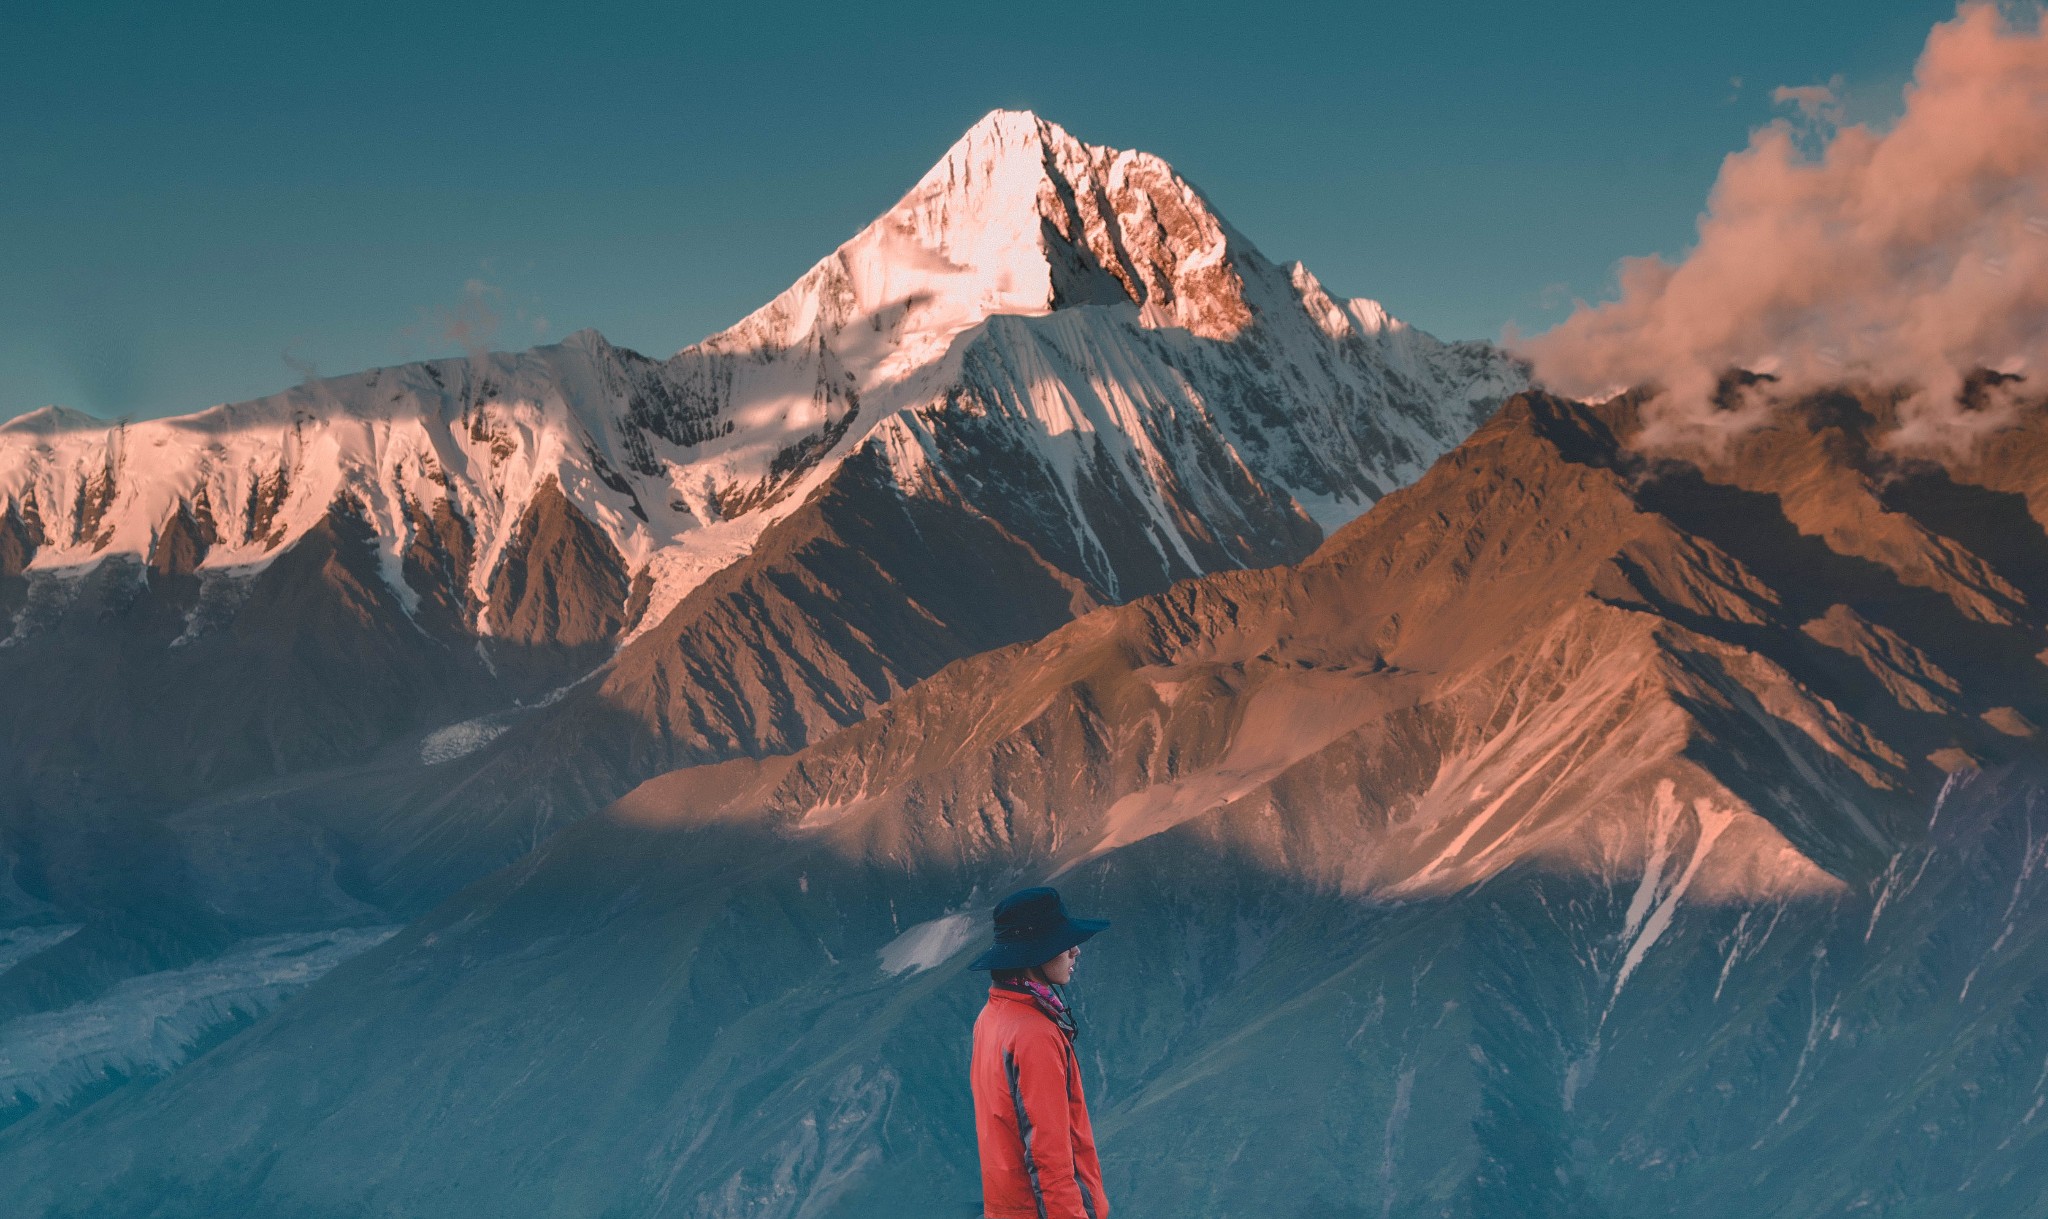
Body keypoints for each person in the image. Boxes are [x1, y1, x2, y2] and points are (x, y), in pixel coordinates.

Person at [968, 886, 1111, 1219]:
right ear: (1036, 953)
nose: (1075, 950)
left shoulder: (992, 1017)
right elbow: (1049, 1159)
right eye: (1062, 943)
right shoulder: (1035, 1035)